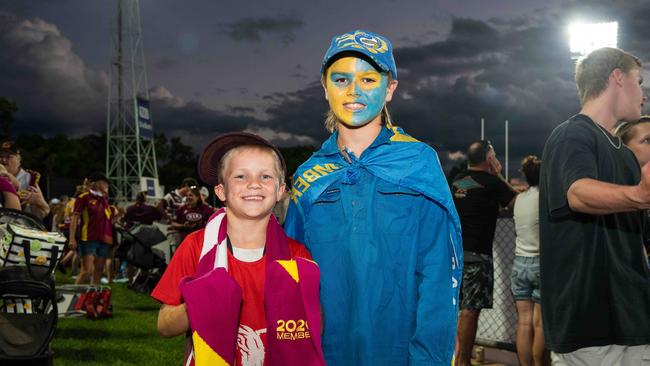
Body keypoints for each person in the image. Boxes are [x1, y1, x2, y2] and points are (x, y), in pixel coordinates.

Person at [284, 30, 463, 365]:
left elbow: (439, 273)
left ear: (390, 88)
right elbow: (291, 276)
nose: (353, 90)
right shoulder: (308, 177)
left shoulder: (418, 162)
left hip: (399, 351)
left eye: (368, 79)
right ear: (325, 88)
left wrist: (429, 359)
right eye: (340, 79)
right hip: (327, 352)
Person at [152, 132, 324, 366]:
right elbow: (164, 325)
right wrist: (199, 303)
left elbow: (315, 327)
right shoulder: (196, 246)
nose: (254, 184)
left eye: (265, 176)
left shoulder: (296, 255)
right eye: (241, 176)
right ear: (221, 191)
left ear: (280, 190)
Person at [540, 47, 650, 364]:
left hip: (634, 320)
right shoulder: (572, 134)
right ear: (617, 77)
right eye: (639, 81)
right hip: (590, 327)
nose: (642, 94)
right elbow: (577, 193)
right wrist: (640, 196)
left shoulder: (624, 154)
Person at [451, 140, 517, 366]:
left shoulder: (456, 181)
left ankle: (458, 357)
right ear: (489, 159)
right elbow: (518, 203)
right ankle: (462, 361)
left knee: (458, 310)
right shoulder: (492, 183)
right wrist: (498, 174)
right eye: (494, 155)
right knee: (470, 310)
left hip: (453, 256)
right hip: (477, 256)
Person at [510, 156, 547, 366]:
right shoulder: (546, 198)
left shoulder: (520, 199)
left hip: (519, 263)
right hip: (540, 262)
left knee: (524, 322)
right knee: (540, 324)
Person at [69, 172, 113, 285]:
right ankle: (73, 297)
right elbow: (74, 218)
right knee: (87, 271)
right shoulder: (84, 197)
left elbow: (108, 219)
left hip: (104, 239)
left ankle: (93, 299)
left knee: (98, 271)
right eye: (105, 183)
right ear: (97, 183)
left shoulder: (103, 200)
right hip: (88, 238)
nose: (107, 186)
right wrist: (72, 238)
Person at [0, 140, 49, 218]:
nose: (3, 160)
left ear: (18, 159)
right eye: (1, 156)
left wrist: (39, 202)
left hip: (21, 226)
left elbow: (42, 213)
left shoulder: (29, 179)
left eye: (8, 157)